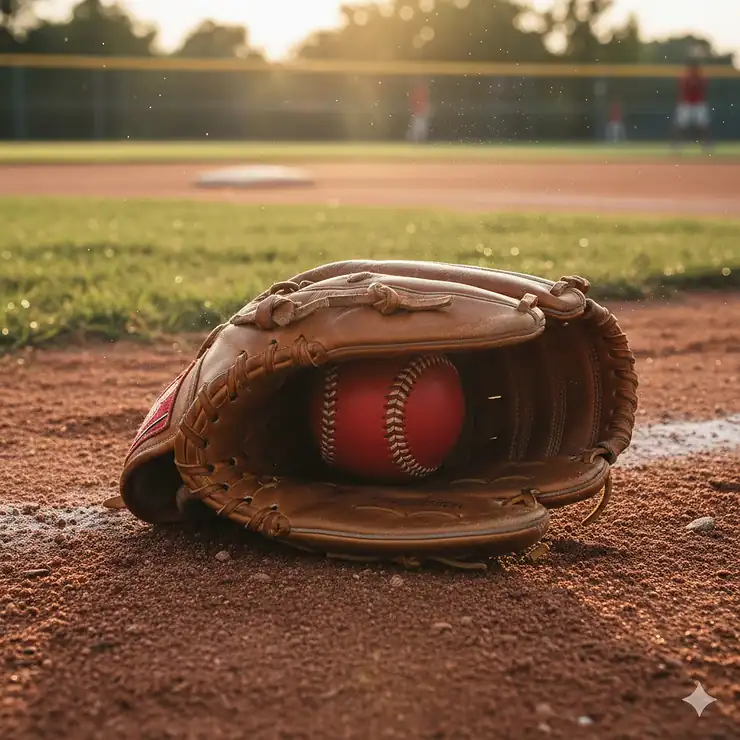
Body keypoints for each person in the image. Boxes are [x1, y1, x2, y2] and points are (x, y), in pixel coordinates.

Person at [673, 60, 711, 150]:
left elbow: (704, 87)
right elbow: (682, 88)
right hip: (686, 103)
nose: (693, 70)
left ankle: (705, 143)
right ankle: (678, 143)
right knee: (681, 124)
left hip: (698, 103)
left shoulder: (702, 78)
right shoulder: (685, 77)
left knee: (703, 125)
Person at [407, 77, 431, 143]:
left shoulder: (422, 91)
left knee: (421, 128)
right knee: (417, 128)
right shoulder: (418, 91)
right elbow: (414, 102)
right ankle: (415, 141)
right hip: (418, 112)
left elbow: (425, 102)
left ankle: (419, 141)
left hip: (421, 112)